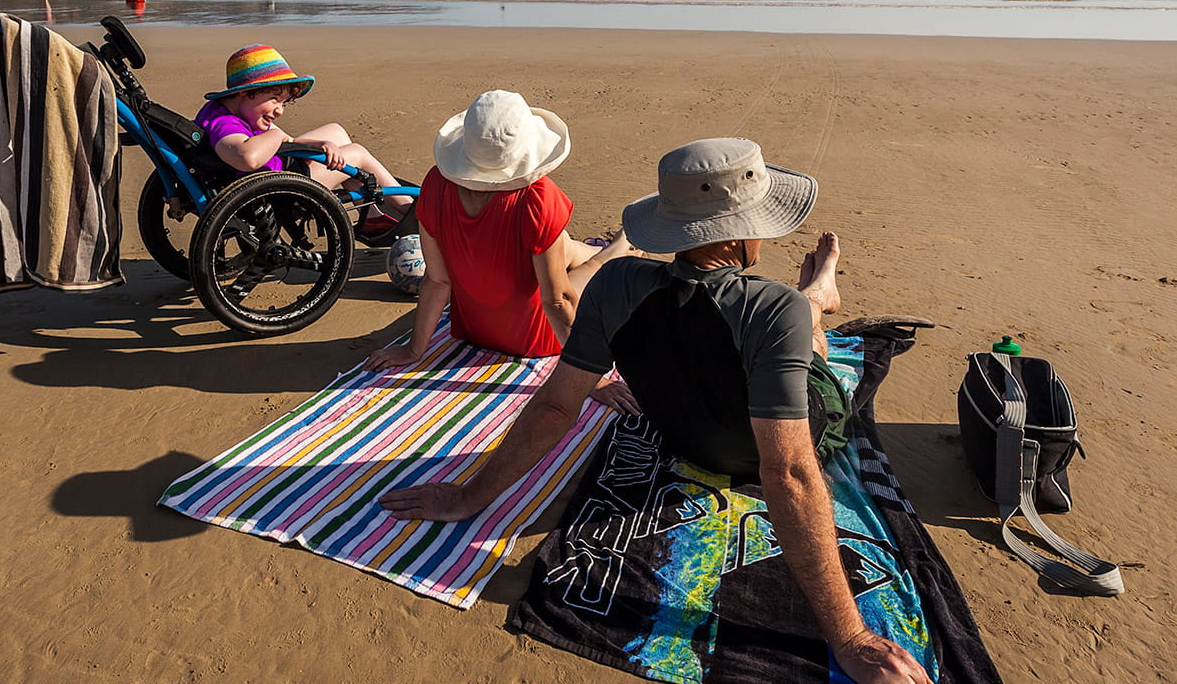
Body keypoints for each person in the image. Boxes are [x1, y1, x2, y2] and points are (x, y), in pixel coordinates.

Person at [379, 138, 931, 684]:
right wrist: (851, 637)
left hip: (685, 439)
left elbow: (554, 404)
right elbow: (786, 470)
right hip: (794, 422)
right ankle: (819, 294)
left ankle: (817, 295)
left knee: (786, 328)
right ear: (740, 233)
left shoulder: (616, 284)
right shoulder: (771, 307)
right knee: (808, 341)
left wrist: (470, 496)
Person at [365, 91, 638, 411]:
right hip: (535, 339)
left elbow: (437, 282)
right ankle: (625, 243)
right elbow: (556, 301)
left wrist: (414, 350)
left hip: (475, 328)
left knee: (561, 246)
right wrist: (594, 379)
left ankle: (586, 247)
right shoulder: (537, 197)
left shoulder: (436, 184)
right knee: (591, 266)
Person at [193, 45, 413, 232]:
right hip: (279, 188)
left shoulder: (229, 111)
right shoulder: (224, 123)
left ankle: (371, 213)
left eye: (284, 103)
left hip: (277, 169)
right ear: (244, 92)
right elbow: (247, 158)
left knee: (334, 132)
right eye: (273, 99)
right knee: (357, 153)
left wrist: (317, 145)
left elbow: (285, 142)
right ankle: (408, 209)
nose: (279, 110)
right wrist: (276, 134)